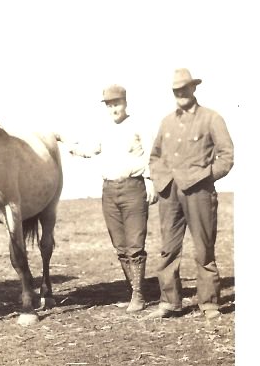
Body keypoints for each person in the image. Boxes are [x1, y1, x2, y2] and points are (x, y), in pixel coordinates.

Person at [148, 68, 234, 320]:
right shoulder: (166, 122)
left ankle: (208, 303)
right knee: (168, 249)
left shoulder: (211, 118)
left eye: (184, 88)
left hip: (199, 193)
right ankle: (169, 302)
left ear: (194, 89)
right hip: (169, 193)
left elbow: (226, 156)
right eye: (176, 90)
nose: (180, 93)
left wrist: (205, 177)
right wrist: (161, 178)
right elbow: (155, 156)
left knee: (203, 249)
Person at [69, 84, 157, 312]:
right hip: (109, 191)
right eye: (109, 105)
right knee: (120, 246)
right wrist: (68, 145)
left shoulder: (138, 125)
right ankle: (132, 291)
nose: (113, 109)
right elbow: (91, 150)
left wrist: (150, 181)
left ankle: (138, 295)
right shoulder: (104, 129)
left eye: (116, 104)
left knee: (135, 244)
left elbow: (151, 155)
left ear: (125, 103)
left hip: (133, 189)